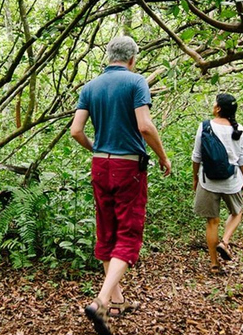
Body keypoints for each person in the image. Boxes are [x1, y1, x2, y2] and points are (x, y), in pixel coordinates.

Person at [70, 36, 171, 335]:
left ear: (108, 56)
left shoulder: (90, 87)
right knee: (128, 232)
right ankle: (101, 302)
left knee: (107, 229)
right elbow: (145, 125)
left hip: (101, 164)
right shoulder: (136, 82)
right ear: (132, 59)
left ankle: (117, 302)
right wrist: (163, 157)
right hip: (129, 166)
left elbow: (76, 130)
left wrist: (97, 149)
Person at [191, 93, 243, 275]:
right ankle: (225, 241)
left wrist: (195, 177)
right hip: (232, 180)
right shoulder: (240, 130)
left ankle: (214, 264)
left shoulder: (205, 126)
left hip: (208, 181)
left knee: (212, 221)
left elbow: (196, 156)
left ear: (218, 109)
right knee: (237, 211)